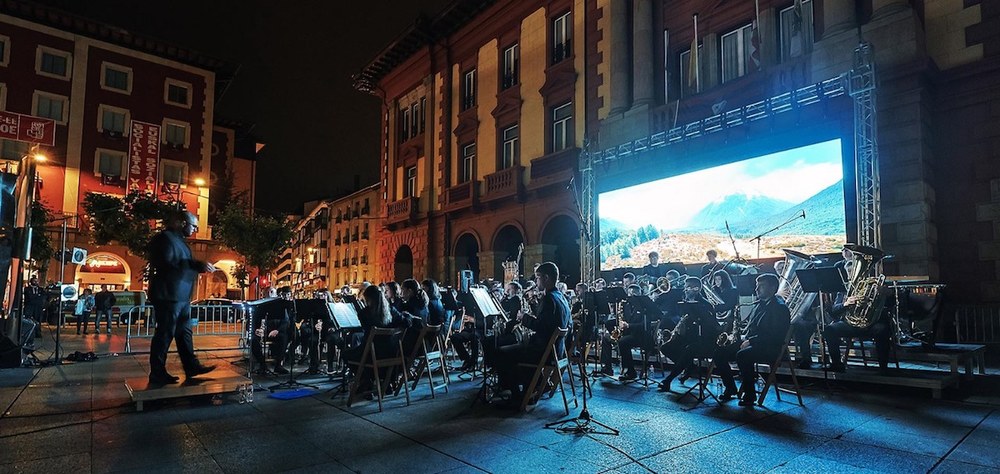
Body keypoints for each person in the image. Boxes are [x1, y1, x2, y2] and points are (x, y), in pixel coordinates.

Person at [146, 210, 216, 385]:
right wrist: (195, 264)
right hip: (168, 295)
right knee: (165, 333)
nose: (194, 230)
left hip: (181, 296)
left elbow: (180, 264)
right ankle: (157, 372)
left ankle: (191, 366)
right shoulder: (164, 239)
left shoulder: (180, 242)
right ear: (182, 223)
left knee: (184, 332)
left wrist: (196, 266)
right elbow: (166, 264)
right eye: (193, 226)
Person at [492, 262, 570, 405]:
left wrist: (524, 318)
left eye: (538, 277)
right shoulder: (560, 297)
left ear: (546, 278)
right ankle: (534, 384)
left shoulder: (549, 299)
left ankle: (517, 396)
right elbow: (553, 323)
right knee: (513, 349)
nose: (535, 281)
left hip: (544, 351)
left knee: (502, 352)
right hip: (557, 350)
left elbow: (542, 327)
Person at [714, 273, 790, 406]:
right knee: (719, 352)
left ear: (772, 288)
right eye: (757, 286)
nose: (756, 289)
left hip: (770, 347)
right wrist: (740, 336)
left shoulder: (780, 308)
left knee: (743, 355)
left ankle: (750, 395)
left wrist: (751, 341)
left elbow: (775, 335)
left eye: (761, 286)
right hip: (753, 343)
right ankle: (730, 387)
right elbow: (752, 327)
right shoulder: (758, 304)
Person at [658, 277, 721, 391]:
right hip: (689, 337)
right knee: (665, 347)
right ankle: (689, 366)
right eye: (685, 287)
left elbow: (711, 327)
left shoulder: (705, 305)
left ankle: (668, 380)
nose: (685, 290)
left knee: (688, 350)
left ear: (696, 289)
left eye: (688, 288)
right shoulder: (685, 303)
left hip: (704, 340)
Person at [251, 287, 294, 374]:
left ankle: (278, 365)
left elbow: (285, 321)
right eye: (268, 292)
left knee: (284, 337)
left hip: (276, 330)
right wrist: (256, 329)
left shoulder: (280, 305)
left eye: (272, 292)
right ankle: (262, 365)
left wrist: (277, 330)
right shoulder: (260, 305)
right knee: (253, 341)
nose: (270, 294)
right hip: (263, 331)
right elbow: (254, 319)